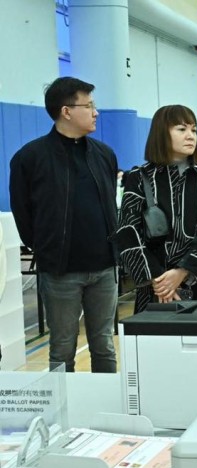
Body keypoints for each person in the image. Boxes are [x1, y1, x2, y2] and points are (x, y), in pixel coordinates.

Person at [9, 76, 119, 373]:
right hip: (60, 271)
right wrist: (46, 248)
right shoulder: (30, 158)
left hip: (105, 268)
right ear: (66, 111)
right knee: (62, 349)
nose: (96, 112)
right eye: (89, 105)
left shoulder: (104, 155)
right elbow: (23, 214)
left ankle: (104, 410)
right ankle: (64, 414)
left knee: (104, 345)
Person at [116, 105, 197, 313]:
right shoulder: (139, 177)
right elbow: (128, 232)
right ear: (161, 133)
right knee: (156, 342)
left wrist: (183, 271)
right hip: (153, 289)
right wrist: (160, 281)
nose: (190, 136)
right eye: (181, 129)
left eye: (193, 130)